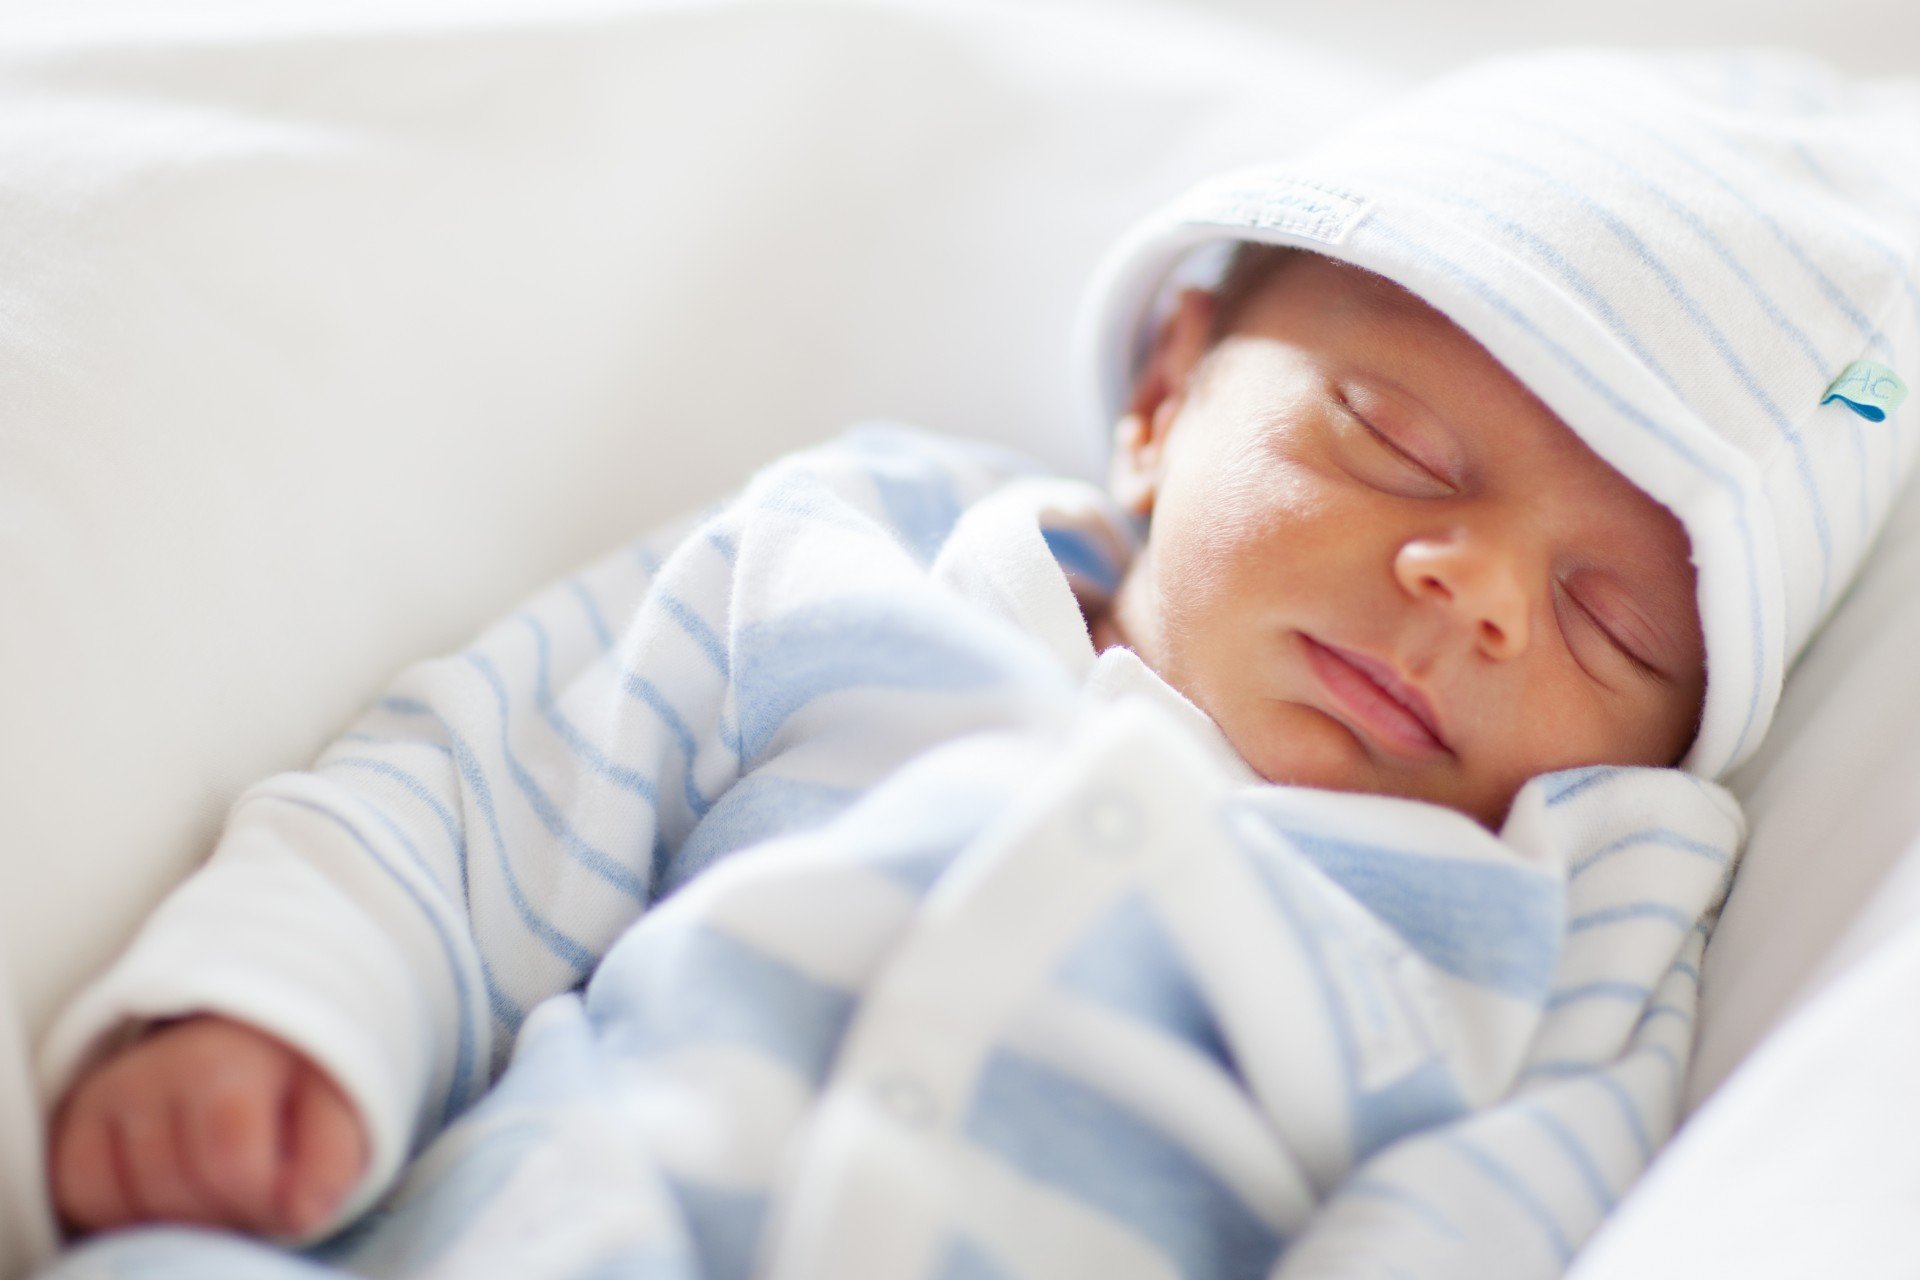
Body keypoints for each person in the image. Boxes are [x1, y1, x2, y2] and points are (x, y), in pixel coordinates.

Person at [37, 48, 1917, 1280]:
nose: (1479, 592)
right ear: (1168, 395)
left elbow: (1496, 1223)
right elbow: (481, 790)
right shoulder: (864, 554)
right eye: (1396, 447)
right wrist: (281, 1013)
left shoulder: (1572, 902)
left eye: (1615, 625)